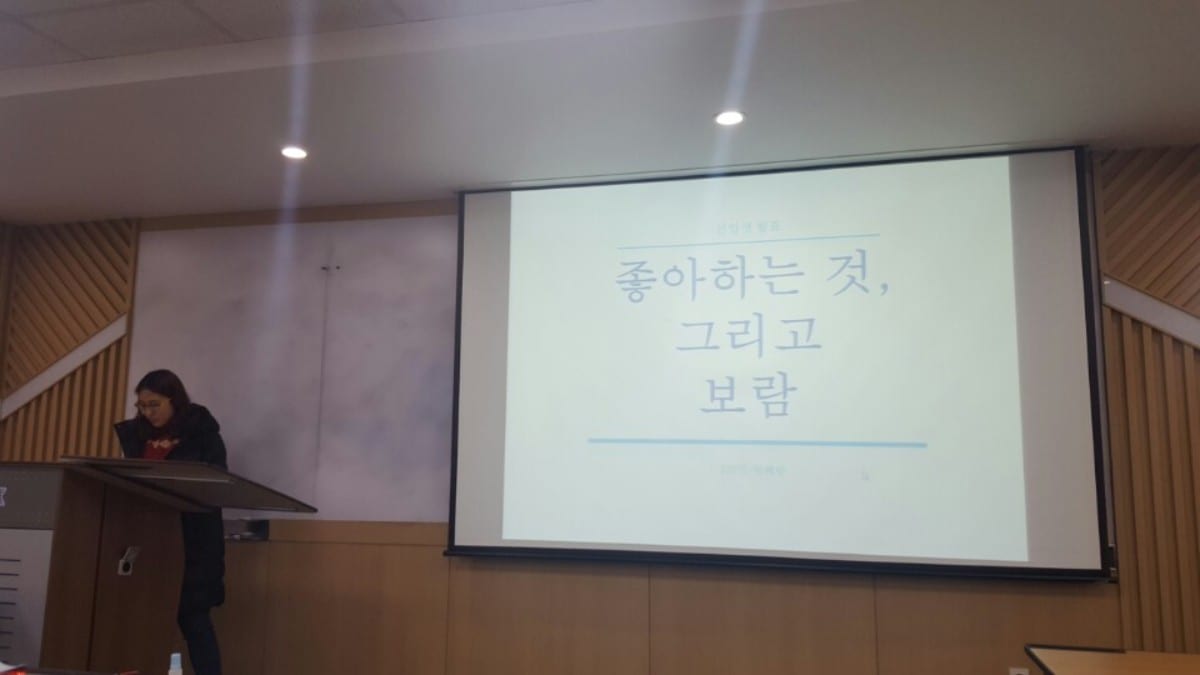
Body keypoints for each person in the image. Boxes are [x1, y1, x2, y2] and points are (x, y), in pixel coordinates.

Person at [114, 369, 226, 675]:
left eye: (154, 405)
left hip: (193, 541)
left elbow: (217, 482)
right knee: (145, 622)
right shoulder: (136, 435)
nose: (147, 413)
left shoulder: (202, 433)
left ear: (174, 400)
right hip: (148, 539)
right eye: (142, 406)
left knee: (194, 622)